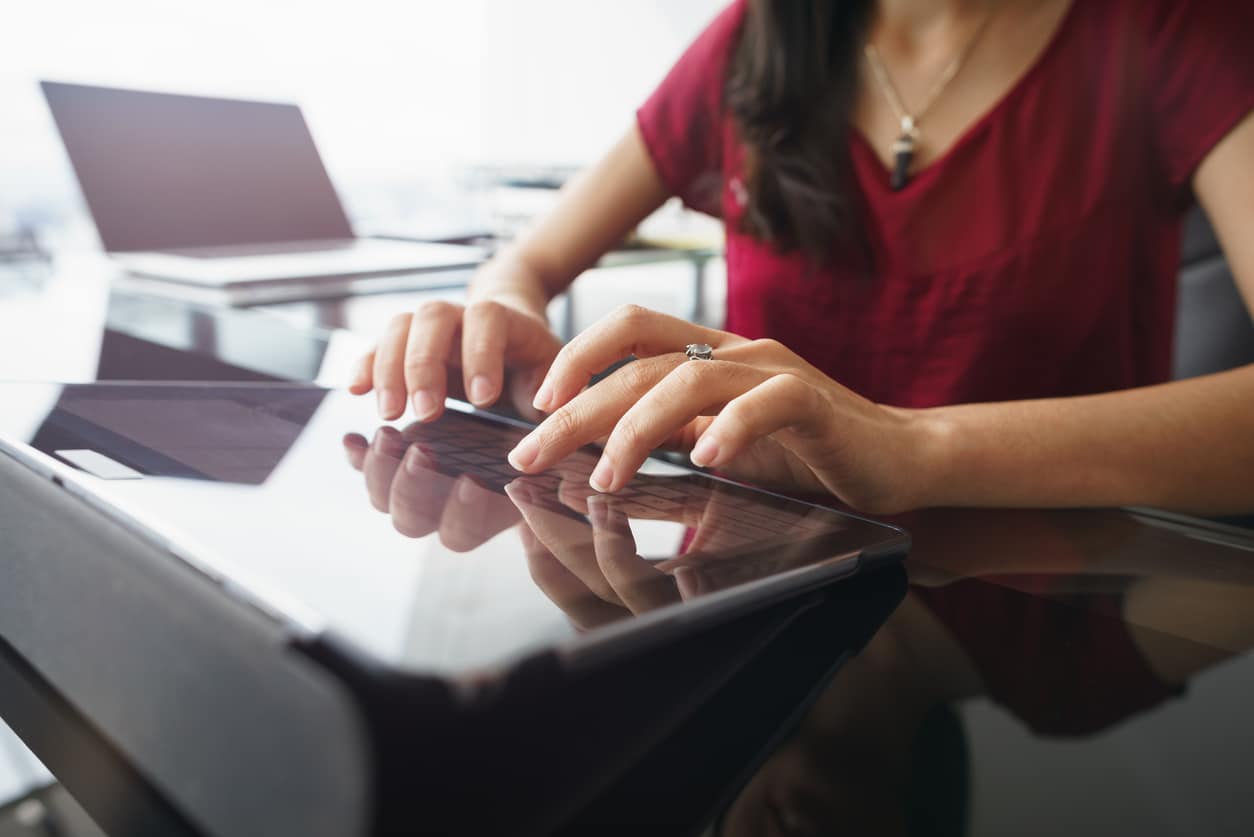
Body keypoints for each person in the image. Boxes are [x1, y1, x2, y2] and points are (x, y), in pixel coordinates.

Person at [350, 0, 1254, 516]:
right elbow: (528, 261)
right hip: (758, 563)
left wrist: (912, 445)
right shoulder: (756, 40)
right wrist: (504, 306)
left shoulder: (1175, 30)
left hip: (1046, 583)